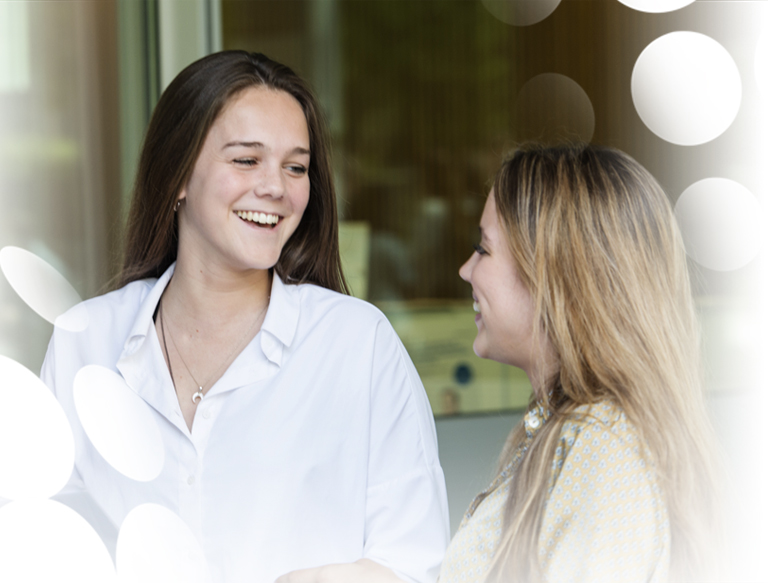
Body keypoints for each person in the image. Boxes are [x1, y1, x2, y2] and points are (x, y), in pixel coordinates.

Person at [41, 51, 448, 583]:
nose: (276, 187)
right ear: (178, 178)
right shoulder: (86, 341)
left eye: (295, 167)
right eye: (246, 159)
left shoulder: (357, 344)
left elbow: (416, 563)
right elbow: (47, 540)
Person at [439, 144, 722, 583]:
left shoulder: (603, 453)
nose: (465, 270)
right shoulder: (579, 435)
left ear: (554, 272)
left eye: (483, 249)